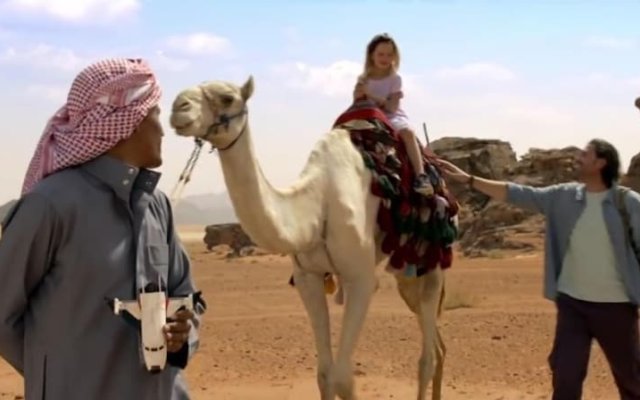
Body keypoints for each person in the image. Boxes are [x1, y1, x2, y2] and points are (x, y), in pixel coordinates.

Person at [0, 58, 206, 399]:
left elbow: (186, 296)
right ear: (127, 122)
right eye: (155, 115)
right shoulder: (50, 205)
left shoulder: (158, 206)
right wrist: (59, 376)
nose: (162, 130)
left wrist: (184, 333)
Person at [437, 138, 640, 399]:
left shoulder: (627, 203)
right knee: (565, 377)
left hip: (617, 307)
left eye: (586, 154)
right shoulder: (564, 197)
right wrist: (469, 180)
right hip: (572, 304)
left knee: (631, 380)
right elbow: (517, 193)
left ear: (601, 163)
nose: (579, 156)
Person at [353, 32, 434, 195]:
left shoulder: (395, 79)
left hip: (391, 117)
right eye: (381, 54)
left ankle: (420, 176)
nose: (385, 58)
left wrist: (371, 95)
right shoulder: (364, 78)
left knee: (407, 132)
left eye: (389, 54)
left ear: (395, 57)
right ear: (372, 55)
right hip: (368, 115)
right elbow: (358, 103)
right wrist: (359, 94)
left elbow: (391, 108)